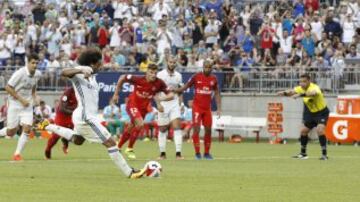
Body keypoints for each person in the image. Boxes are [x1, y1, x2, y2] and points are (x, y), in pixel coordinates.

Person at [38, 48, 145, 178]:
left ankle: (48, 126)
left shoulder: (93, 77)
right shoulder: (80, 73)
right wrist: (80, 70)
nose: (102, 64)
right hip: (85, 117)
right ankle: (130, 172)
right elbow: (63, 72)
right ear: (93, 63)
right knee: (110, 142)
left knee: (78, 140)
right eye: (100, 62)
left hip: (83, 116)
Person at [113, 63, 174, 159]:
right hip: (132, 104)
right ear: (146, 72)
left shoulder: (159, 83)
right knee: (140, 124)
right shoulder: (138, 79)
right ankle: (129, 148)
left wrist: (160, 101)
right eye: (151, 72)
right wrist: (116, 94)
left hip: (143, 109)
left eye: (155, 73)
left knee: (131, 126)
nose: (153, 75)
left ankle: (118, 147)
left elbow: (171, 95)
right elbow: (122, 77)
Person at [174, 60, 221, 160]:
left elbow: (217, 93)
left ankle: (207, 153)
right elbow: (186, 86)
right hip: (197, 108)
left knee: (208, 130)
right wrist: (175, 90)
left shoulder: (214, 79)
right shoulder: (196, 76)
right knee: (196, 129)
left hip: (207, 108)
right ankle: (197, 153)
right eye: (206, 67)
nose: (207, 69)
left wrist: (219, 108)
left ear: (212, 68)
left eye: (209, 67)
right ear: (203, 67)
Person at [277, 74, 329, 160]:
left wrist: (300, 95)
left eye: (304, 81)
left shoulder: (314, 87)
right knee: (303, 131)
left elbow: (313, 93)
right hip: (311, 113)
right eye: (300, 81)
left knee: (320, 130)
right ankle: (303, 153)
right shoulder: (300, 88)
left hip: (321, 113)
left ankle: (324, 155)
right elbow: (292, 92)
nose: (302, 83)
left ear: (309, 81)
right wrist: (283, 93)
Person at [0, 53, 41, 161]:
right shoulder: (20, 73)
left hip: (27, 105)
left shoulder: (38, 74)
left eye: (37, 63)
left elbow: (33, 88)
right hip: (14, 103)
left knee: (27, 128)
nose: (35, 65)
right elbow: (8, 87)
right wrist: (21, 100)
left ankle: (17, 154)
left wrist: (35, 97)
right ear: (28, 63)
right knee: (11, 132)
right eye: (33, 63)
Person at [156, 56, 184, 160]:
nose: (172, 64)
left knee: (177, 127)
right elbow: (156, 90)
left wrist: (181, 104)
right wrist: (158, 104)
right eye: (170, 62)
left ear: (176, 63)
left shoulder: (178, 76)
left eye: (174, 62)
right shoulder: (160, 74)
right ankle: (162, 153)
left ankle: (178, 153)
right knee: (162, 129)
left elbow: (180, 91)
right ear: (167, 62)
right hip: (163, 103)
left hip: (174, 103)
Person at [44, 87, 80, 160]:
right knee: (56, 136)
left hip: (72, 115)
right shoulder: (68, 92)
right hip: (62, 116)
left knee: (75, 134)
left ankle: (65, 141)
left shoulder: (83, 92)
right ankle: (48, 149)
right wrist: (75, 111)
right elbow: (62, 108)